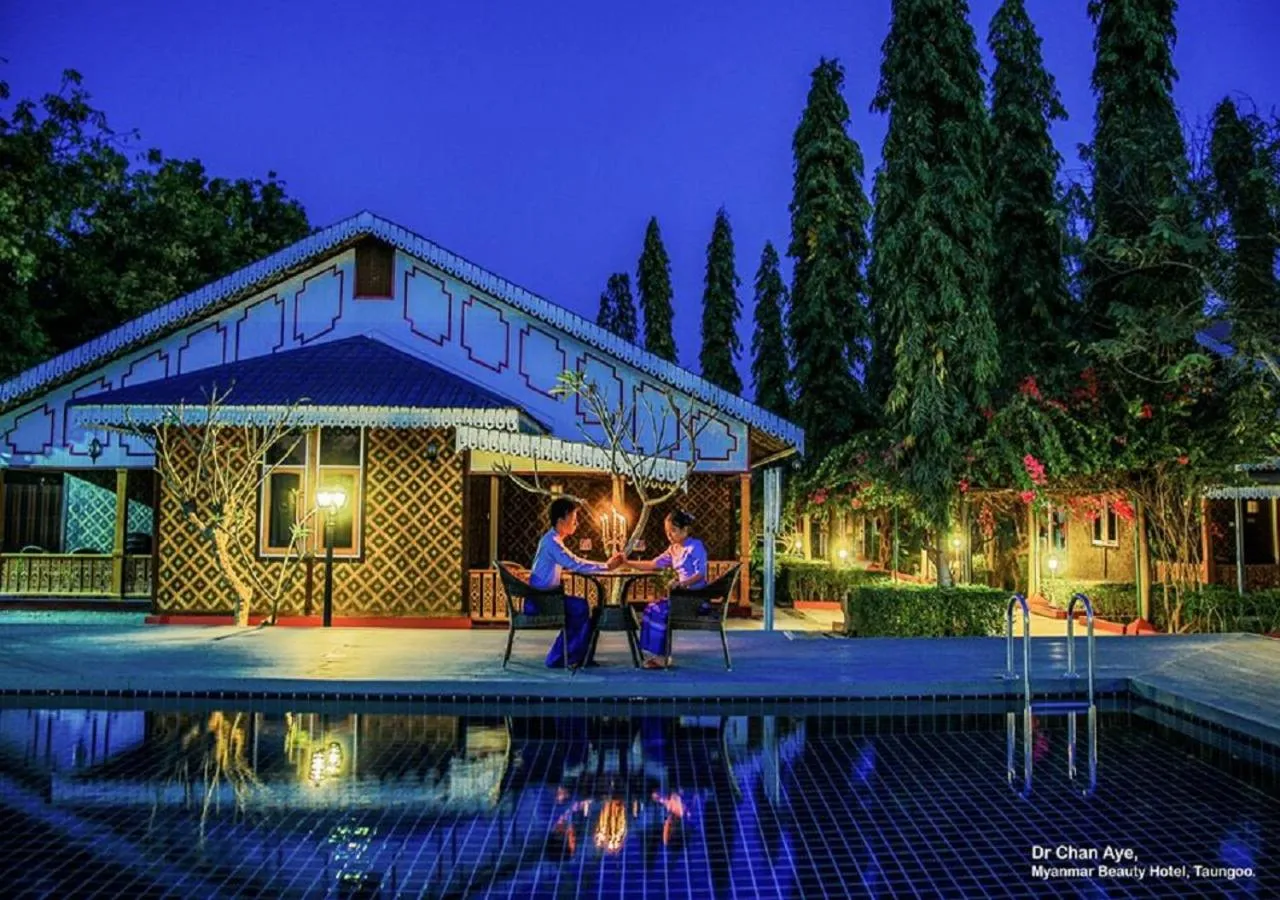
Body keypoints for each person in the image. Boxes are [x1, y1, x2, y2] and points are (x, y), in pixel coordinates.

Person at [529, 497, 625, 668]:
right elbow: (575, 562)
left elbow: (571, 562)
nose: (576, 523)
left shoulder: (552, 540)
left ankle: (574, 656)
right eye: (573, 519)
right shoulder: (552, 543)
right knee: (580, 607)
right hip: (541, 601)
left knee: (580, 607)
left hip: (546, 597)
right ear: (561, 520)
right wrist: (607, 566)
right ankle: (562, 657)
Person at [627, 510, 707, 668]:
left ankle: (662, 657)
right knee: (651, 607)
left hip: (694, 598)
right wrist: (626, 562)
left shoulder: (695, 546)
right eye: (667, 532)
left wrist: (681, 584)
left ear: (685, 530)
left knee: (659, 610)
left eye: (674, 531)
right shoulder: (673, 549)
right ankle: (655, 654)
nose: (670, 536)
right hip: (679, 597)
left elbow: (701, 574)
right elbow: (652, 564)